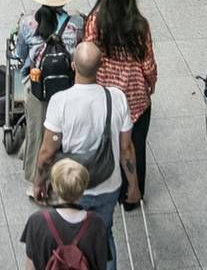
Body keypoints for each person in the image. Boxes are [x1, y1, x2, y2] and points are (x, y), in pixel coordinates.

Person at [30, 43, 140, 268]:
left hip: (73, 188)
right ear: (101, 66)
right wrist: (133, 185)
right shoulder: (117, 98)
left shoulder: (60, 101)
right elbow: (127, 149)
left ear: (73, 66)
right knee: (104, 236)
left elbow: (47, 151)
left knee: (70, 240)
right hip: (108, 185)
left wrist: (38, 182)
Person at [83, 0, 158, 208]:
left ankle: (108, 188)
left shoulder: (96, 21)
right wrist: (150, 84)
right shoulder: (140, 26)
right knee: (135, 145)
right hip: (135, 97)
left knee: (108, 142)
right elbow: (148, 64)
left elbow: (89, 54)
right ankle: (133, 194)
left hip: (105, 95)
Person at [13, 0, 85, 195]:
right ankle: (64, 178)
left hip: (38, 89)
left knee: (37, 132)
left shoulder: (26, 23)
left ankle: (37, 183)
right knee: (65, 133)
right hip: (68, 87)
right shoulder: (77, 23)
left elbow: (20, 57)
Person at [19, 159, 111, 270]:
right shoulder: (97, 224)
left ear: (55, 187)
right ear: (83, 188)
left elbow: (30, 266)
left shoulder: (37, 221)